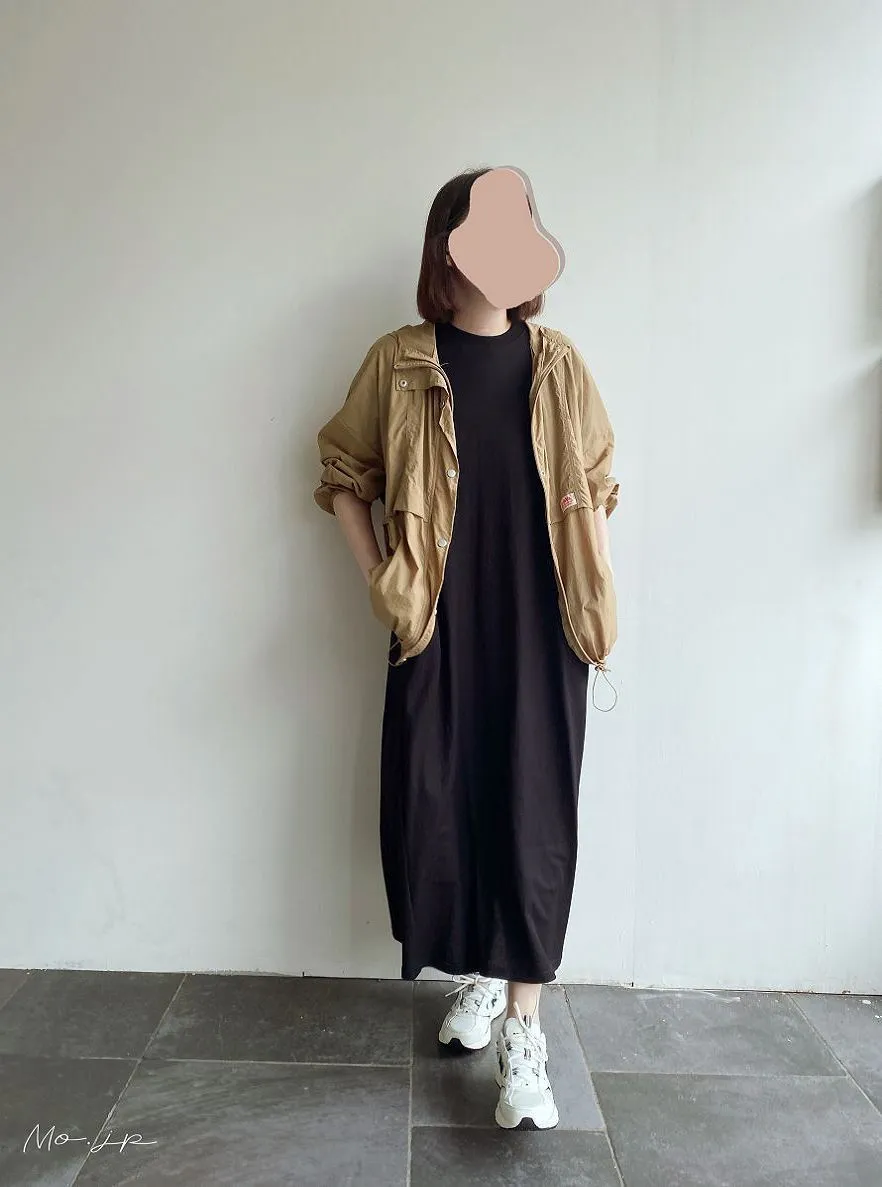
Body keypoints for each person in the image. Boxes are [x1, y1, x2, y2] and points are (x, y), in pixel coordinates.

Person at [313, 167, 619, 1130]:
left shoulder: (558, 364)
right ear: (444, 253)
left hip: (541, 630)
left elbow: (599, 485)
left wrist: (592, 591)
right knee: (439, 808)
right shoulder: (399, 361)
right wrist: (382, 579)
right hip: (439, 627)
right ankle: (482, 972)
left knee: (534, 818)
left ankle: (524, 1026)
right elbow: (342, 472)